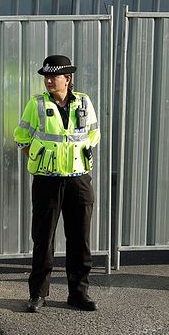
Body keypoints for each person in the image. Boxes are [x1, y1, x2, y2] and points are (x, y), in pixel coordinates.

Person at [13, 54, 100, 313]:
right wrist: (40, 159)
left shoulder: (83, 102)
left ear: (67, 78)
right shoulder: (36, 104)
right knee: (43, 239)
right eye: (46, 77)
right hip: (47, 182)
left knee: (79, 240)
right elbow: (21, 137)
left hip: (78, 180)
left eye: (54, 76)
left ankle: (78, 294)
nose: (49, 81)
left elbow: (94, 134)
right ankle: (38, 294)